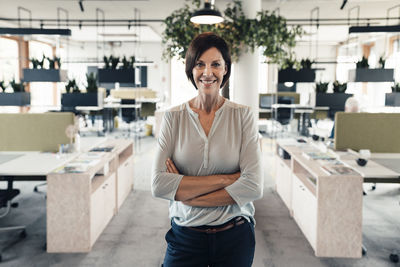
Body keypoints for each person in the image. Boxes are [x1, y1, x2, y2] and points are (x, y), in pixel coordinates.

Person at [151, 32, 263, 267]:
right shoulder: (173, 117)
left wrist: (186, 193)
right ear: (191, 69)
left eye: (215, 64)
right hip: (185, 236)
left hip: (235, 234)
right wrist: (227, 179)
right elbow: (159, 184)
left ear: (225, 70)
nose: (207, 72)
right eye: (200, 64)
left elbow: (253, 186)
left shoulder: (243, 116)